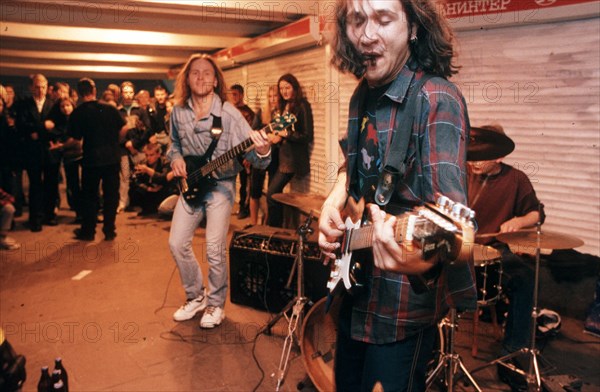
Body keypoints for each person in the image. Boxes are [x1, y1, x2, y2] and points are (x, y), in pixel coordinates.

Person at [317, 1, 476, 390]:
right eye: (356, 20)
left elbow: (457, 234)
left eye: (383, 19)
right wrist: (335, 195)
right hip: (352, 298)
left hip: (400, 315)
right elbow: (359, 166)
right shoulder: (362, 97)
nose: (366, 35)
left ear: (414, 27)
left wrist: (415, 258)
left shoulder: (435, 98)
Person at [167, 54, 271, 329]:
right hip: (190, 185)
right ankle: (195, 296)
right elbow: (174, 144)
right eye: (195, 73)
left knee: (214, 248)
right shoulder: (178, 112)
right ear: (187, 79)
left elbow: (259, 160)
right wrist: (175, 158)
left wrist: (262, 148)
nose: (200, 78)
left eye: (206, 73)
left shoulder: (229, 114)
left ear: (215, 80)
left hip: (221, 186)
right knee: (177, 243)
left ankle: (215, 304)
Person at [467, 124, 543, 390]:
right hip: (460, 249)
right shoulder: (461, 173)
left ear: (499, 156)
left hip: (496, 253)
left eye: (482, 155)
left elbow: (537, 214)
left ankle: (511, 354)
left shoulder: (517, 179)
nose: (473, 160)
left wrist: (518, 221)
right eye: (472, 152)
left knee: (525, 277)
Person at [66, 77, 126, 241]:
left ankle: (88, 231)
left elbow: (76, 140)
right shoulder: (109, 109)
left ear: (79, 93)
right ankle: (109, 230)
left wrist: (61, 147)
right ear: (94, 91)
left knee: (90, 196)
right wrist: (115, 141)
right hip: (112, 158)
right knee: (111, 196)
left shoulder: (78, 113)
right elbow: (124, 128)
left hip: (91, 159)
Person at [266, 74, 313, 228]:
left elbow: (307, 135)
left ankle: (274, 230)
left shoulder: (302, 106)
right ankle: (276, 228)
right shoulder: (282, 107)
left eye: (287, 87)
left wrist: (286, 134)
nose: (284, 91)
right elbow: (277, 130)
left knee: (272, 194)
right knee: (274, 194)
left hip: (291, 160)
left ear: (294, 87)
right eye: (281, 88)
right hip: (278, 156)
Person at [15, 73, 54, 232]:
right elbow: (22, 126)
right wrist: (44, 127)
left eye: (43, 87)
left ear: (47, 87)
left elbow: (58, 127)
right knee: (35, 186)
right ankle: (35, 219)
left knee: (50, 185)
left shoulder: (53, 104)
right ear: (31, 87)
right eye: (37, 87)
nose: (40, 90)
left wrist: (37, 130)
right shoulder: (24, 105)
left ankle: (49, 216)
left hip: (50, 150)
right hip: (32, 152)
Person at [247, 84, 281, 227]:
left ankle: (266, 223)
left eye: (275, 96)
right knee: (255, 191)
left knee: (271, 193)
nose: (272, 99)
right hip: (260, 156)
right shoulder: (262, 113)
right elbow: (252, 133)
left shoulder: (282, 115)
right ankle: (253, 223)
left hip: (276, 157)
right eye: (270, 96)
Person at [229, 84, 256, 220]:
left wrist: (249, 155)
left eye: (235, 94)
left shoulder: (248, 113)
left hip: (243, 151)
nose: (233, 97)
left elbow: (251, 135)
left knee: (245, 182)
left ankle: (244, 208)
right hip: (231, 151)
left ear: (241, 95)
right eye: (231, 94)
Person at [129, 142, 176, 216]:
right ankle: (148, 208)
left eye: (151, 155)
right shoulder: (143, 163)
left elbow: (163, 178)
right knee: (134, 191)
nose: (148, 158)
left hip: (164, 189)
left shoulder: (165, 162)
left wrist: (148, 170)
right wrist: (148, 188)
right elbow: (134, 180)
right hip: (150, 189)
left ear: (158, 154)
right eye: (147, 155)